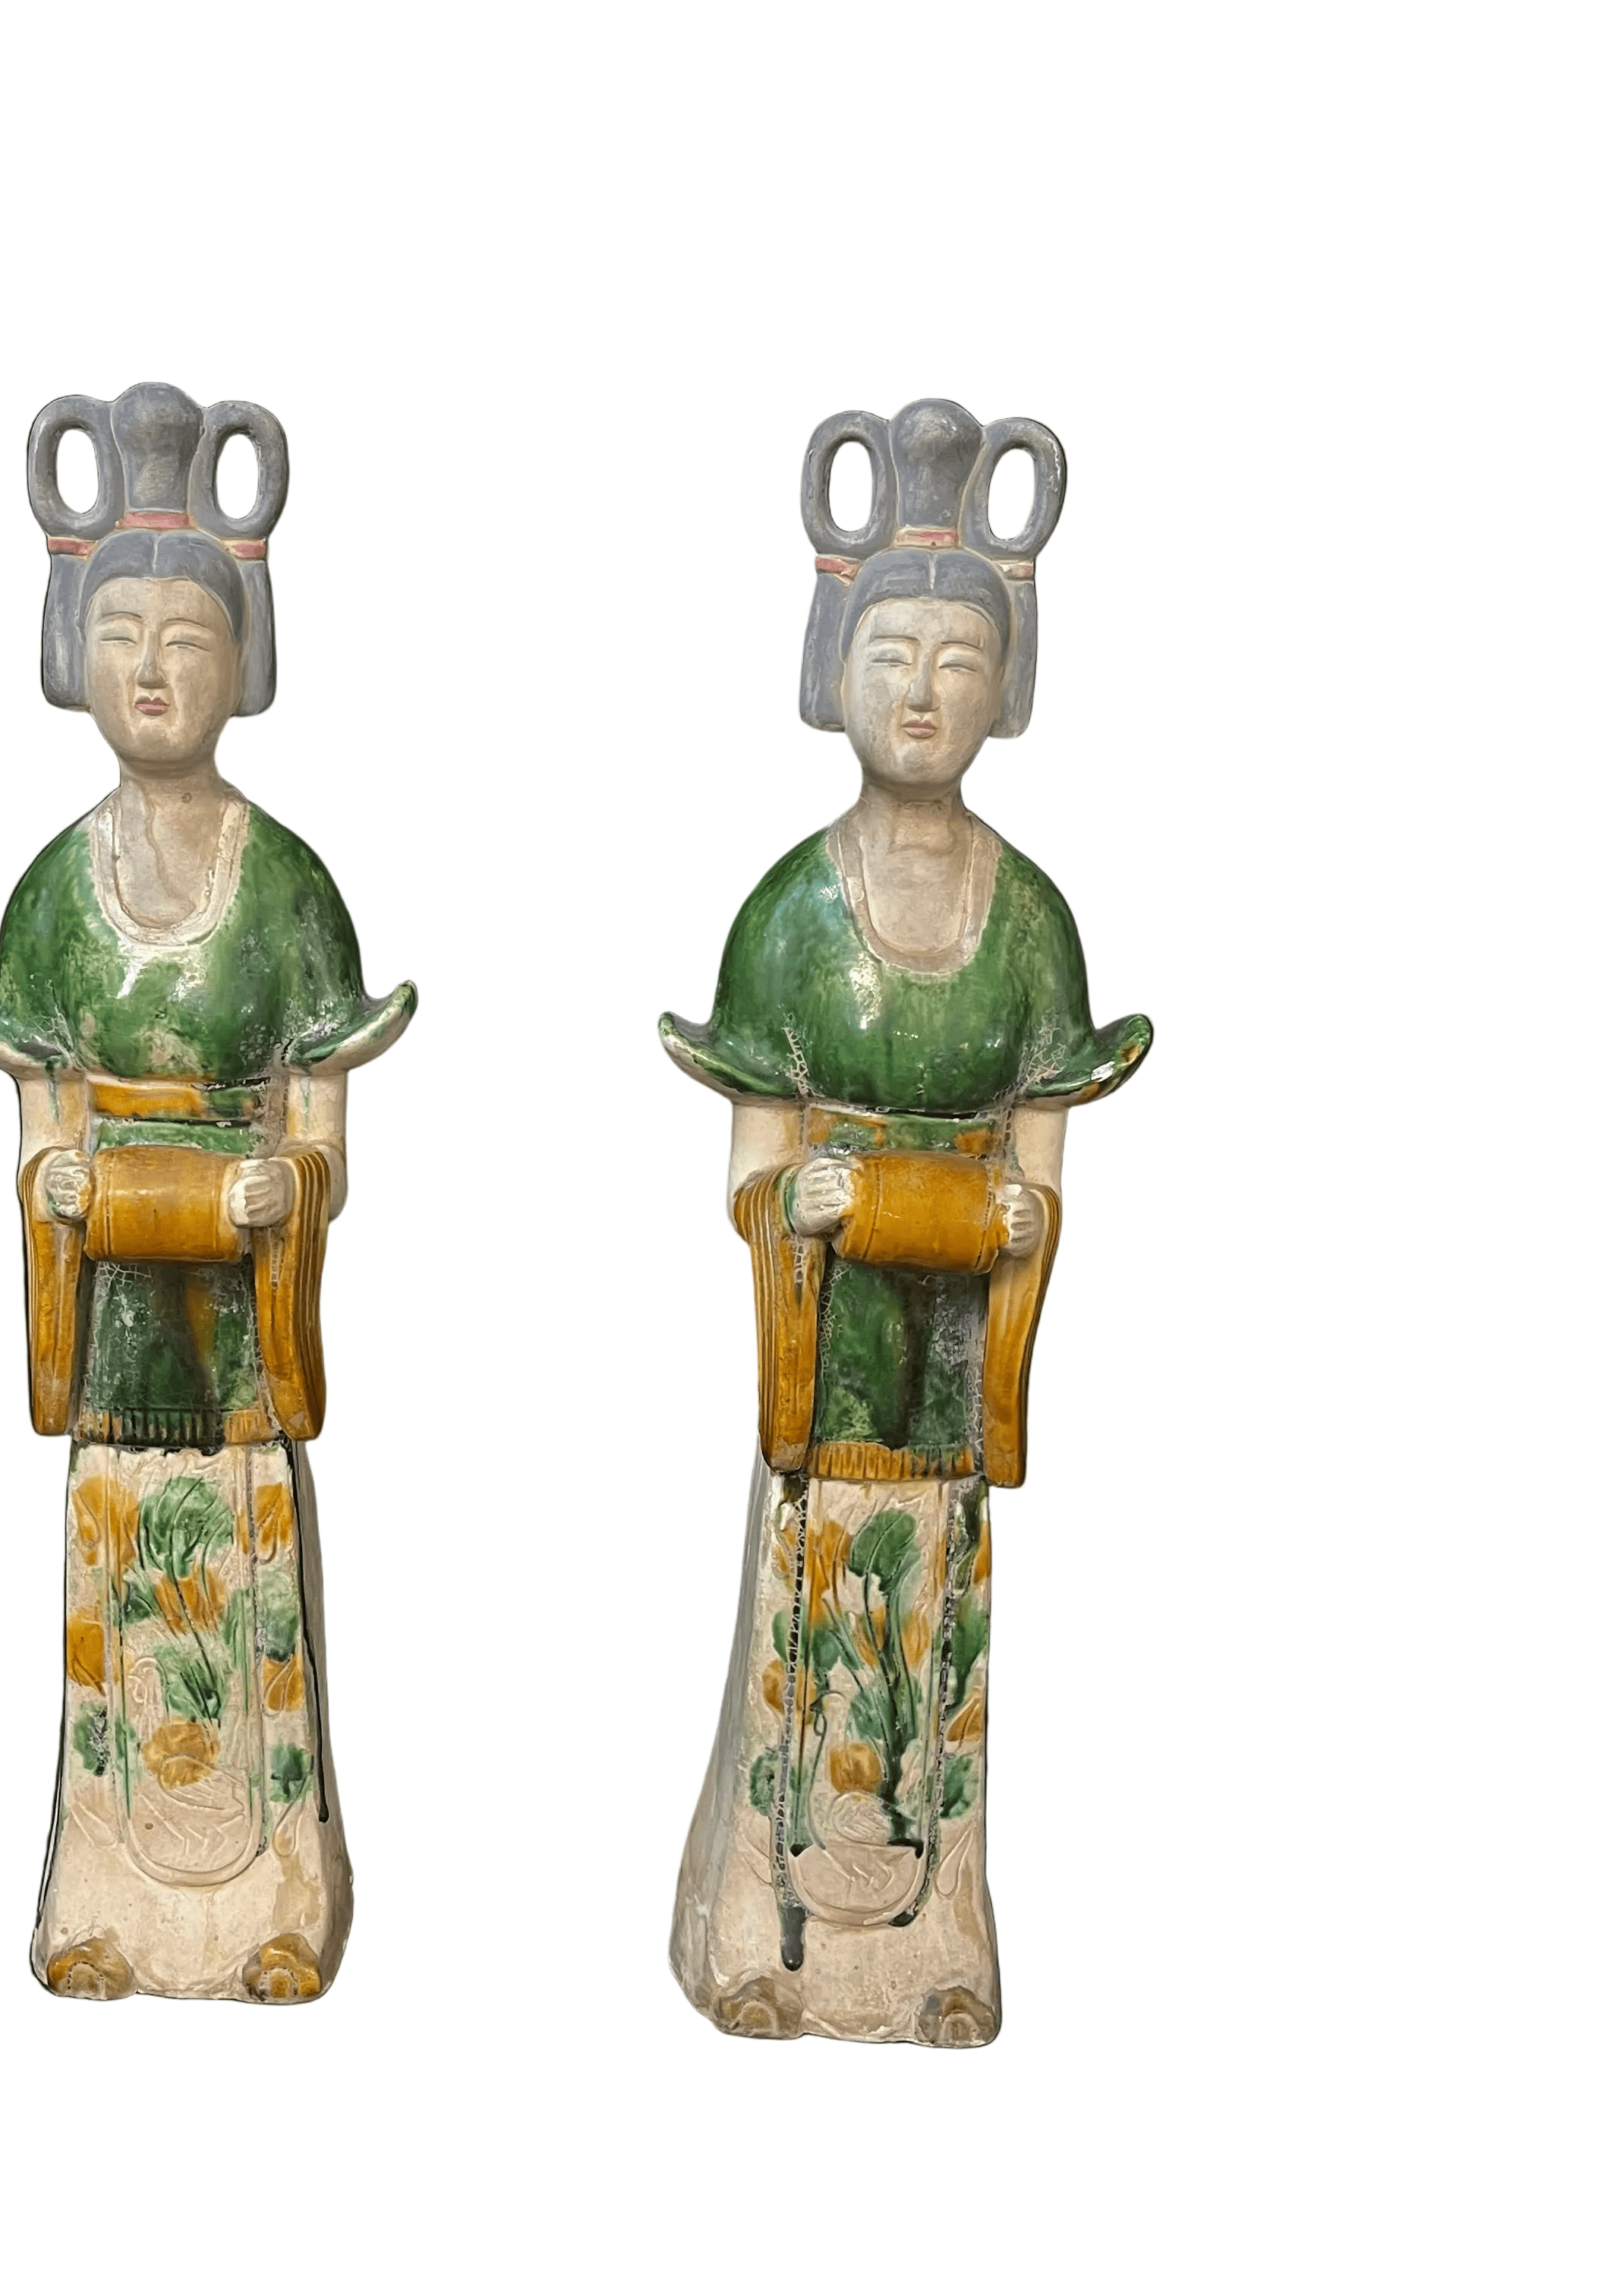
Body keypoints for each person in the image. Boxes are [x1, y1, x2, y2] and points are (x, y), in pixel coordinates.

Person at [660, 399, 1149, 2044]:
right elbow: (751, 1164)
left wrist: (1011, 1222)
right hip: (833, 1348)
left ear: (1007, 683)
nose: (925, 690)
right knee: (805, 1617)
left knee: (933, 1639)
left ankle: (935, 1942)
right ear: (834, 668)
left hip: (944, 1361)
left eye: (957, 658)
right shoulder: (790, 917)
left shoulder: (1035, 927)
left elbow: (1043, 1174)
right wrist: (788, 1200)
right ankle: (767, 1932)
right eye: (893, 655)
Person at [0, 384, 412, 2002]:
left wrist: (292, 1182)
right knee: (120, 1591)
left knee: (250, 1591)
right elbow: (38, 1125)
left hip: (237, 1315)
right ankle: (108, 1901)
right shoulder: (49, 901)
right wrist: (59, 1182)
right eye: (123, 634)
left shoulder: (288, 890)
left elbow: (322, 1120)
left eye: (190, 638)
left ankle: (276, 1897)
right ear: (70, 650)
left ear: (244, 659)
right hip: (120, 1316)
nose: (153, 669)